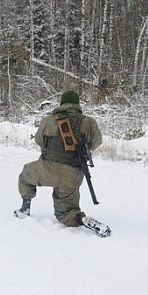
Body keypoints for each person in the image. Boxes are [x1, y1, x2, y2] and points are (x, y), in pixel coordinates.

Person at [14, 90, 111, 237]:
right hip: (72, 175)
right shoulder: (89, 122)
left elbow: (39, 140)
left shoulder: (49, 120)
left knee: (26, 175)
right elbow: (97, 141)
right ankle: (81, 218)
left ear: (62, 103)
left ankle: (25, 207)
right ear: (77, 104)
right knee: (66, 213)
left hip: (47, 170)